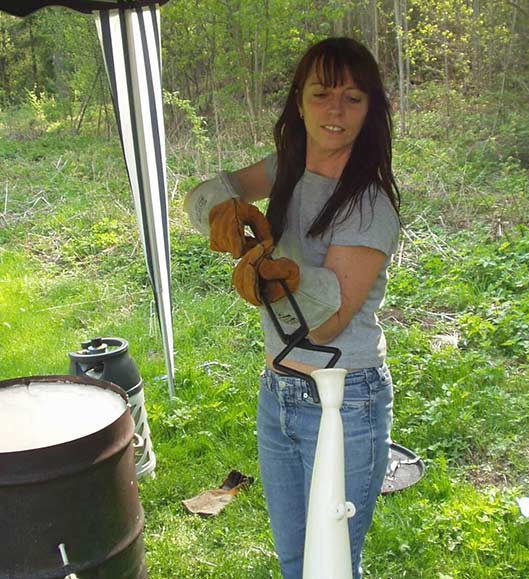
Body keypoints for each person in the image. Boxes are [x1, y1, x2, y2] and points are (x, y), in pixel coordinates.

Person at [185, 37, 400, 579]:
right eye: (322, 93)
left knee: (330, 566)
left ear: (370, 109)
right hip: (276, 393)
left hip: (343, 399)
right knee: (294, 561)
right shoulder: (289, 166)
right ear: (298, 101)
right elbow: (207, 193)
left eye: (352, 98)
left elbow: (328, 319)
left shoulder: (368, 202)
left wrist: (271, 266)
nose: (335, 111)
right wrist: (226, 211)